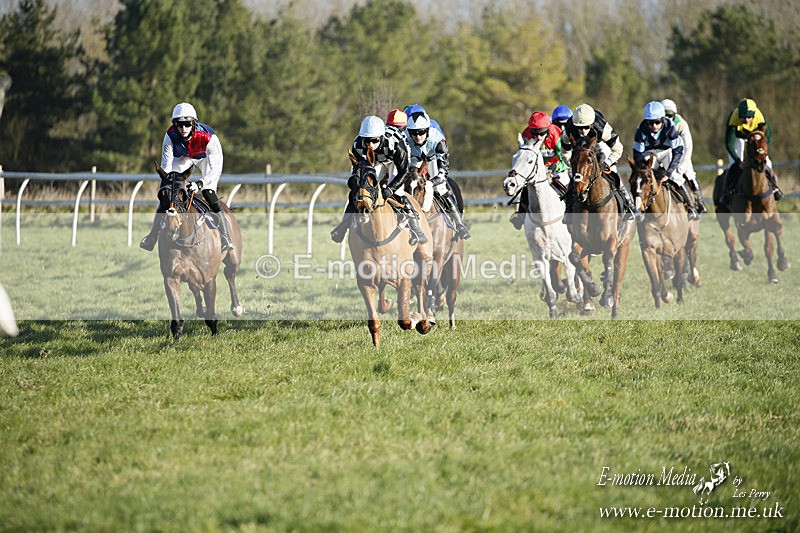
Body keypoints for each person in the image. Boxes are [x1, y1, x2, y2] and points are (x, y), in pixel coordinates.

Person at [140, 102, 233, 252]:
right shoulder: (170, 136)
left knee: (209, 192)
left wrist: (200, 184)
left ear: (193, 123)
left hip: (204, 159)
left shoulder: (208, 137)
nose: (183, 128)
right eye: (179, 124)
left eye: (187, 124)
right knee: (169, 193)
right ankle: (152, 236)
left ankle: (225, 236)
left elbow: (215, 169)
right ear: (175, 124)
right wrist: (170, 185)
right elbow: (166, 167)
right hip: (184, 158)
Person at [330, 115, 428, 245]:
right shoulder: (358, 145)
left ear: (381, 137)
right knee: (361, 191)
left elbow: (403, 172)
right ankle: (343, 227)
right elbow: (359, 171)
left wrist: (390, 189)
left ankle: (416, 228)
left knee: (397, 193)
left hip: (395, 162)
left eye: (374, 140)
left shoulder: (396, 145)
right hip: (376, 161)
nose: (370, 145)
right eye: (367, 140)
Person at [559, 103, 640, 220]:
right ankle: (569, 209)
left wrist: (607, 163)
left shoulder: (602, 128)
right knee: (575, 176)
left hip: (600, 145)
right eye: (580, 128)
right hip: (580, 149)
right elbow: (564, 153)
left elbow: (618, 149)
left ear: (591, 124)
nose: (583, 131)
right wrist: (572, 167)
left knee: (613, 171)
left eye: (586, 127)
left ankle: (629, 205)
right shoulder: (569, 130)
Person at [405, 111, 471, 240]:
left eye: (421, 132)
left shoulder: (438, 140)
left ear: (427, 130)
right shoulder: (406, 139)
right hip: (414, 158)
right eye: (414, 133)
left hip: (433, 158)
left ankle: (459, 225)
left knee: (440, 188)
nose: (417, 136)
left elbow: (443, 172)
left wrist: (432, 182)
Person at [632, 100, 697, 219]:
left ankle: (691, 207)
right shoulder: (641, 128)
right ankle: (636, 208)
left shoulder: (670, 126)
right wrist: (642, 168)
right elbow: (637, 153)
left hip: (667, 152)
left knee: (675, 177)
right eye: (651, 122)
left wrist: (669, 171)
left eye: (657, 122)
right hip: (650, 153)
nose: (654, 126)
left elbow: (678, 150)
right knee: (641, 178)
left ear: (662, 120)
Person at [510, 111, 571, 230]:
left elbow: (564, 160)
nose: (538, 137)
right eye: (535, 133)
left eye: (542, 133)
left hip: (556, 167)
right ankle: (520, 216)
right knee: (526, 186)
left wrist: (554, 168)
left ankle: (572, 213)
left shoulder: (557, 134)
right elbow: (523, 158)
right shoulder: (526, 135)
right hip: (536, 169)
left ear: (548, 129)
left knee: (567, 185)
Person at [724, 97, 783, 201]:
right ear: (739, 115)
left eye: (749, 117)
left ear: (754, 115)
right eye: (743, 117)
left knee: (767, 162)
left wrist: (762, 152)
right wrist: (738, 161)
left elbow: (767, 138)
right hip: (738, 137)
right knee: (733, 164)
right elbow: (729, 144)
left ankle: (774, 187)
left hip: (755, 137)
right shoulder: (733, 119)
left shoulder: (760, 118)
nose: (746, 120)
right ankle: (728, 191)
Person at [661, 99, 707, 214]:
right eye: (664, 115)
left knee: (689, 174)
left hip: (681, 153)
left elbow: (688, 147)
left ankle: (698, 201)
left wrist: (682, 166)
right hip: (665, 153)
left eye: (670, 115)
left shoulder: (681, 124)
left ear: (674, 114)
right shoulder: (657, 123)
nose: (667, 118)